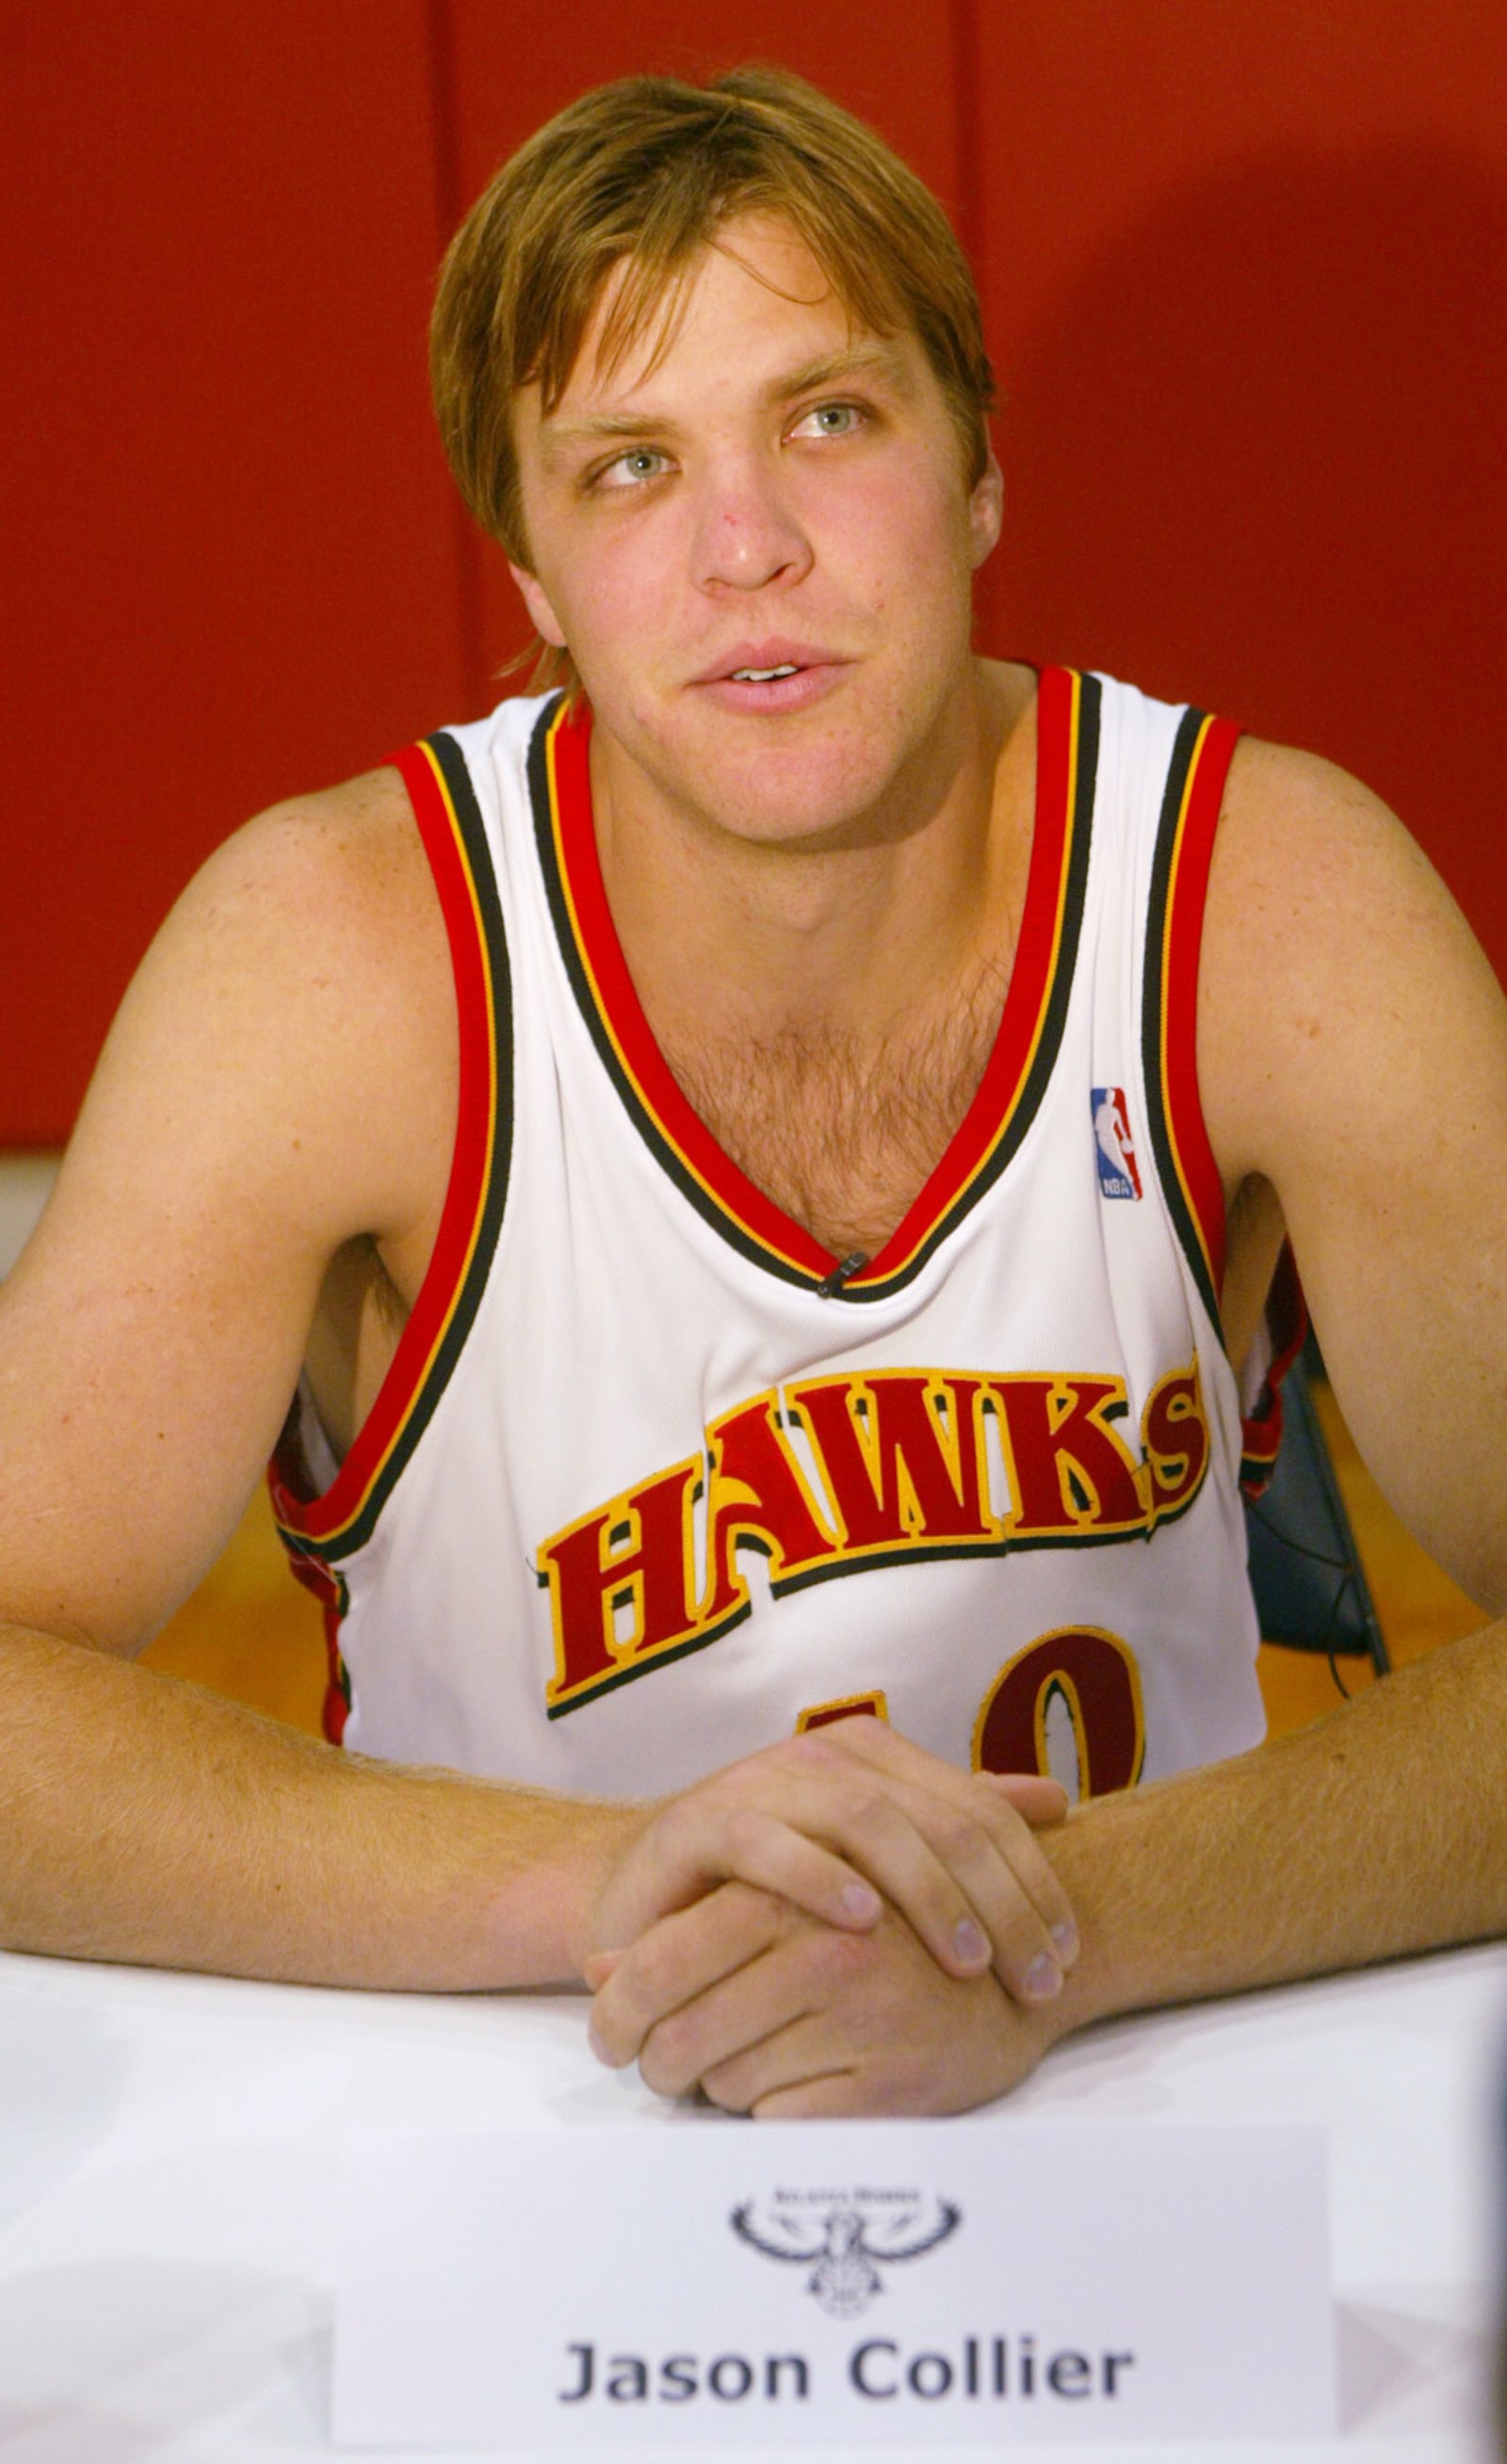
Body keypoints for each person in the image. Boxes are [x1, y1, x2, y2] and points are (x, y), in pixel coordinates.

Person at [3, 66, 1505, 2120]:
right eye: (625, 468)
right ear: (526, 577)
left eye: (826, 417)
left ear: (975, 467)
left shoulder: (1265, 902)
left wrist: (1052, 1939)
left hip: (1140, 2096)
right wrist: (613, 1884)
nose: (745, 550)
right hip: (528, 2118)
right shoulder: (339, 966)